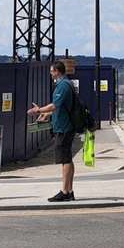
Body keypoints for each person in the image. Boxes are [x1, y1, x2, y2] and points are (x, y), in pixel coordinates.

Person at [27, 60, 78, 202]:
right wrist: (47, 114)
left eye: (51, 71)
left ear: (57, 71)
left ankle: (64, 191)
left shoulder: (62, 86)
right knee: (67, 158)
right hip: (65, 125)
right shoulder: (67, 84)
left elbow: (55, 105)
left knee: (65, 159)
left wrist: (38, 110)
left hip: (64, 127)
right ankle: (69, 190)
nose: (50, 74)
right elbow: (61, 107)